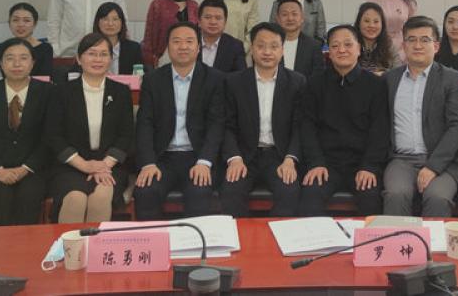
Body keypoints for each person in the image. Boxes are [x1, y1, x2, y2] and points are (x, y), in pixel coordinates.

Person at [134, 22, 225, 219]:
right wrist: (148, 163)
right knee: (146, 191)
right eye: (176, 41)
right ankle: (154, 240)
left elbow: (216, 125)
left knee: (199, 192)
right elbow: (144, 124)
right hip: (162, 158)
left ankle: (194, 240)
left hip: (197, 156)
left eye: (189, 41)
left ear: (198, 47)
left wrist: (205, 161)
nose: (183, 46)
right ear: (167, 47)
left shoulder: (214, 79)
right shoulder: (153, 80)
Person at [383, 16, 458, 217]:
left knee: (437, 197)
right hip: (401, 160)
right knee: (396, 194)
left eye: (425, 40)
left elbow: (457, 126)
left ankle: (435, 240)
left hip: (442, 161)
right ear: (403, 45)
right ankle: (397, 239)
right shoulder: (390, 79)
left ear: (436, 46)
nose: (417, 45)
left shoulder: (452, 79)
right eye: (411, 39)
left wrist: (433, 166)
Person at [299, 25, 390, 216]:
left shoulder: (376, 85)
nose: (341, 50)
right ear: (328, 52)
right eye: (335, 46)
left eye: (348, 44)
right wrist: (316, 162)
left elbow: (380, 131)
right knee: (310, 196)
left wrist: (369, 167)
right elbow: (307, 127)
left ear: (359, 49)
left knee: (371, 198)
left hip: (361, 163)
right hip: (326, 163)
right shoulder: (314, 84)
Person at [219, 22, 306, 217]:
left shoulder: (297, 82)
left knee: (289, 191)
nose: (267, 52)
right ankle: (241, 237)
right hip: (244, 156)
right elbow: (227, 126)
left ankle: (277, 237)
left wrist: (290, 159)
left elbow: (299, 127)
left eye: (274, 46)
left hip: (279, 156)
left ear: (282, 50)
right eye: (261, 46)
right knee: (231, 192)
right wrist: (234, 158)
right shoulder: (234, 82)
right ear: (252, 49)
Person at [46, 33, 134, 223]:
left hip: (110, 166)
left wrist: (103, 165)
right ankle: (69, 244)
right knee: (75, 199)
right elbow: (54, 136)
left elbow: (126, 135)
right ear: (79, 59)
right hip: (71, 166)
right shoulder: (61, 92)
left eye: (103, 54)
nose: (98, 59)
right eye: (91, 53)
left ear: (111, 59)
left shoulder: (121, 92)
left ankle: (96, 244)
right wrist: (85, 165)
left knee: (101, 196)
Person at [0, 38, 54, 225]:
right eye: (10, 58)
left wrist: (25, 169)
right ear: (1, 64)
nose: (17, 64)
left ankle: (28, 245)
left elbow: (49, 139)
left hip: (33, 169)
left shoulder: (48, 92)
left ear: (32, 63)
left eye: (23, 58)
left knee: (29, 196)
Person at [0, 2, 53, 86]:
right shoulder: (1, 48)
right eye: (15, 20)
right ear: (9, 23)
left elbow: (45, 80)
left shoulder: (45, 48)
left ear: (35, 24)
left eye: (26, 20)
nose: (20, 25)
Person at [142, 0, 199, 67]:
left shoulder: (194, 6)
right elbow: (149, 36)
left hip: (190, 54)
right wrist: (150, 59)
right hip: (164, 55)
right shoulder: (157, 4)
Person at [275, 0, 325, 79]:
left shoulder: (314, 46)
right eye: (284, 14)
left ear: (302, 18)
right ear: (277, 19)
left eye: (294, 14)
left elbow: (317, 77)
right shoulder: (270, 45)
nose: (290, 18)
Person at [198, 0, 248, 73]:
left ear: (225, 22)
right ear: (199, 21)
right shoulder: (188, 42)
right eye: (207, 17)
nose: (213, 22)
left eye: (218, 18)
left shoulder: (235, 46)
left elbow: (240, 76)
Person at [93, 2, 143, 75]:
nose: (110, 24)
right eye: (105, 19)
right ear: (98, 22)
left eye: (115, 19)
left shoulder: (134, 48)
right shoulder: (89, 47)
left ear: (122, 23)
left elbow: (141, 76)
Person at [354, 2, 400, 76]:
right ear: (358, 23)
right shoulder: (350, 45)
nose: (371, 25)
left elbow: (398, 72)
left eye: (376, 21)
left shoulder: (389, 46)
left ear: (382, 24)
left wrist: (384, 74)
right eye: (366, 21)